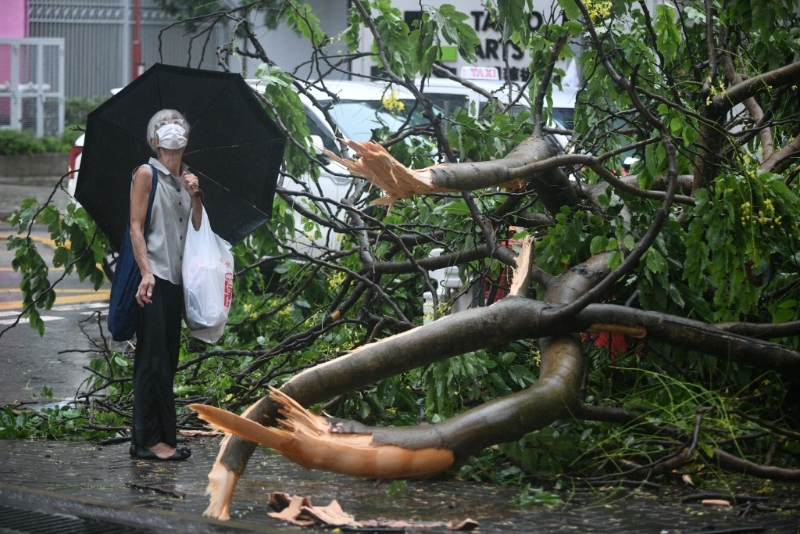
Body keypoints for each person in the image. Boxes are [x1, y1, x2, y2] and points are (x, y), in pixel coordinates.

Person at [128, 109, 202, 461]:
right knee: (152, 360)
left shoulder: (186, 179)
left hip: (176, 281)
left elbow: (199, 228)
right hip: (153, 280)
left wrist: (196, 195)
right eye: (161, 124)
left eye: (177, 123)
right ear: (154, 140)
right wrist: (145, 272)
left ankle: (163, 439)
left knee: (168, 361)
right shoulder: (146, 174)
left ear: (186, 137)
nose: (171, 127)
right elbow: (135, 226)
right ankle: (148, 442)